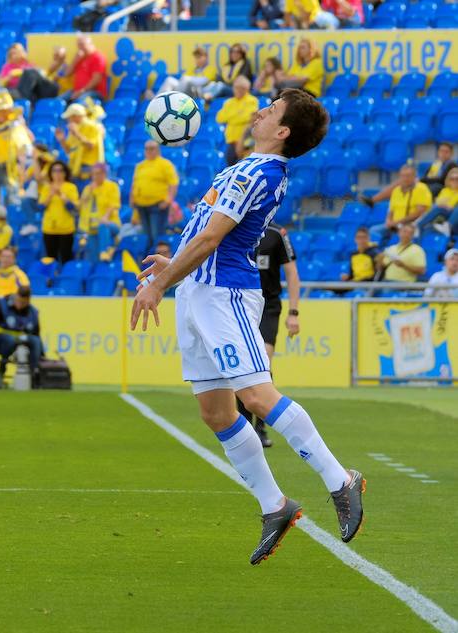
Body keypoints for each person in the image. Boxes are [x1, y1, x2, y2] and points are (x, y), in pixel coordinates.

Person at [131, 89, 365, 564]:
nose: (260, 109)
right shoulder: (244, 166)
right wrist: (174, 265)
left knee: (256, 396)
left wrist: (160, 283)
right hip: (197, 292)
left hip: (226, 296)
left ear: (282, 132)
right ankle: (275, 506)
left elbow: (215, 237)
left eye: (272, 108)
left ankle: (341, 479)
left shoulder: (262, 170)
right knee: (216, 413)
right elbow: (204, 232)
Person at [235, 222, 300, 448]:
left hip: (268, 305)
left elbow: (292, 274)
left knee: (262, 361)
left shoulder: (277, 234)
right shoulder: (236, 227)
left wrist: (294, 312)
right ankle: (243, 427)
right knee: (242, 364)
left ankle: (260, 427)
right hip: (240, 304)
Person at [0, 285, 41, 385]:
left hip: (20, 340)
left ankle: (34, 374)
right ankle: (0, 373)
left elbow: (36, 334)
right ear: (16, 296)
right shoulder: (2, 304)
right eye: (18, 301)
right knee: (9, 340)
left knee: (35, 341)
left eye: (23, 303)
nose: (20, 304)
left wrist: (42, 354)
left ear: (28, 301)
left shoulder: (32, 312)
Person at [130, 141, 179, 248]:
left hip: (157, 205)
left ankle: (158, 258)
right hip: (141, 206)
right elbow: (135, 184)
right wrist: (132, 199)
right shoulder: (140, 166)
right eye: (146, 148)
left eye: (151, 148)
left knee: (156, 235)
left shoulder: (165, 164)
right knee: (146, 235)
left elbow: (173, 183)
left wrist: (168, 200)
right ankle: (149, 259)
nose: (148, 151)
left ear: (157, 150)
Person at [367, 164, 433, 239]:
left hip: (411, 225)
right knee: (373, 231)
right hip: (395, 225)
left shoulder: (422, 189)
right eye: (403, 176)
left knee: (403, 233)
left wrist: (398, 222)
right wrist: (388, 221)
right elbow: (391, 210)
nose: (405, 178)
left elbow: (418, 213)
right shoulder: (396, 190)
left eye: (408, 176)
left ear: (414, 176)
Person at [79, 163, 121, 263]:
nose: (95, 176)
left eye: (98, 173)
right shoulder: (88, 188)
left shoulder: (112, 186)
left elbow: (114, 204)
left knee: (103, 226)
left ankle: (105, 251)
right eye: (94, 174)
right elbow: (81, 205)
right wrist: (90, 191)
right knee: (94, 258)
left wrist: (105, 218)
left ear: (104, 174)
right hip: (91, 226)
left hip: (111, 223)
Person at [39, 160, 79, 264]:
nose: (57, 173)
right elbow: (41, 208)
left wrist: (62, 195)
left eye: (60, 171)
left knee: (66, 258)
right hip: (49, 228)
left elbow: (73, 208)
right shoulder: (46, 188)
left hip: (66, 229)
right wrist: (50, 195)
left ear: (65, 173)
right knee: (50, 259)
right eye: (54, 171)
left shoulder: (71, 187)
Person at [55, 103, 103, 187]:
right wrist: (62, 140)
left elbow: (91, 145)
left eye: (69, 117)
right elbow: (69, 150)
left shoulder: (92, 126)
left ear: (76, 116)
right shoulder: (74, 128)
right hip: (75, 168)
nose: (68, 120)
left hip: (89, 169)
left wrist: (77, 133)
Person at [216, 77, 260, 167]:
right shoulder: (229, 102)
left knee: (244, 167)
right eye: (236, 87)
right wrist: (238, 114)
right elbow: (219, 118)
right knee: (230, 165)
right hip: (231, 141)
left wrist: (231, 117)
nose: (237, 90)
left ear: (246, 89)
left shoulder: (252, 100)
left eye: (241, 88)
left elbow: (249, 117)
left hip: (245, 141)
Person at [62, 35, 108, 102]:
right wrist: (75, 60)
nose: (80, 47)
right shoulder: (80, 58)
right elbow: (66, 74)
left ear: (90, 44)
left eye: (82, 45)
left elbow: (96, 79)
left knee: (79, 101)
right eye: (79, 45)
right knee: (57, 102)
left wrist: (82, 91)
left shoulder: (98, 57)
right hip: (76, 91)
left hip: (94, 92)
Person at [414, 166, 458, 236]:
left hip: (454, 219)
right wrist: (443, 205)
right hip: (441, 213)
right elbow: (438, 204)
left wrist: (447, 206)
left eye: (457, 179)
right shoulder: (444, 190)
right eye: (452, 179)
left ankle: (447, 226)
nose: (455, 181)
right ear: (448, 180)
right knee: (436, 207)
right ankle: (419, 226)